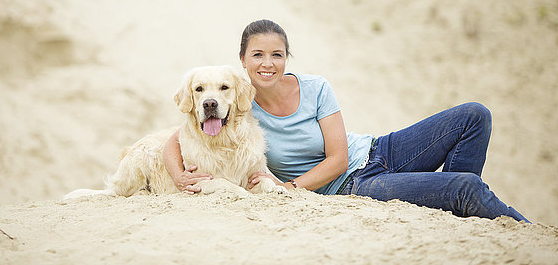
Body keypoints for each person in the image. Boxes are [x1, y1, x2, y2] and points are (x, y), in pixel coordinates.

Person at [163, 19, 529, 222]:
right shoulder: (234, 102)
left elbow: (339, 155)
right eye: (257, 54)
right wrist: (179, 175)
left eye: (276, 54)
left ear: (286, 58)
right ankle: (514, 226)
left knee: (474, 116)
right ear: (242, 60)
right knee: (463, 185)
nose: (267, 63)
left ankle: (462, 216)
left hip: (378, 150)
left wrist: (289, 187)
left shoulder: (316, 87)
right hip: (352, 186)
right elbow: (174, 138)